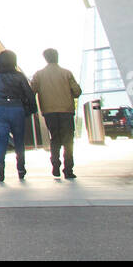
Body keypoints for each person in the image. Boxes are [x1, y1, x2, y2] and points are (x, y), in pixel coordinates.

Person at [0, 50, 37, 182]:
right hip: (16, 108)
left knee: (2, 139)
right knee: (19, 140)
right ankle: (20, 169)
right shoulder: (19, 76)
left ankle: (0, 166)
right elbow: (29, 93)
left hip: (1, 108)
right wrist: (32, 109)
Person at [31, 48, 82, 179]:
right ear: (57, 57)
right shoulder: (66, 73)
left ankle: (55, 165)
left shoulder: (39, 74)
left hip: (49, 111)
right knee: (68, 140)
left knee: (54, 138)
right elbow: (77, 92)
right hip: (66, 110)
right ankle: (68, 169)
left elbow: (32, 90)